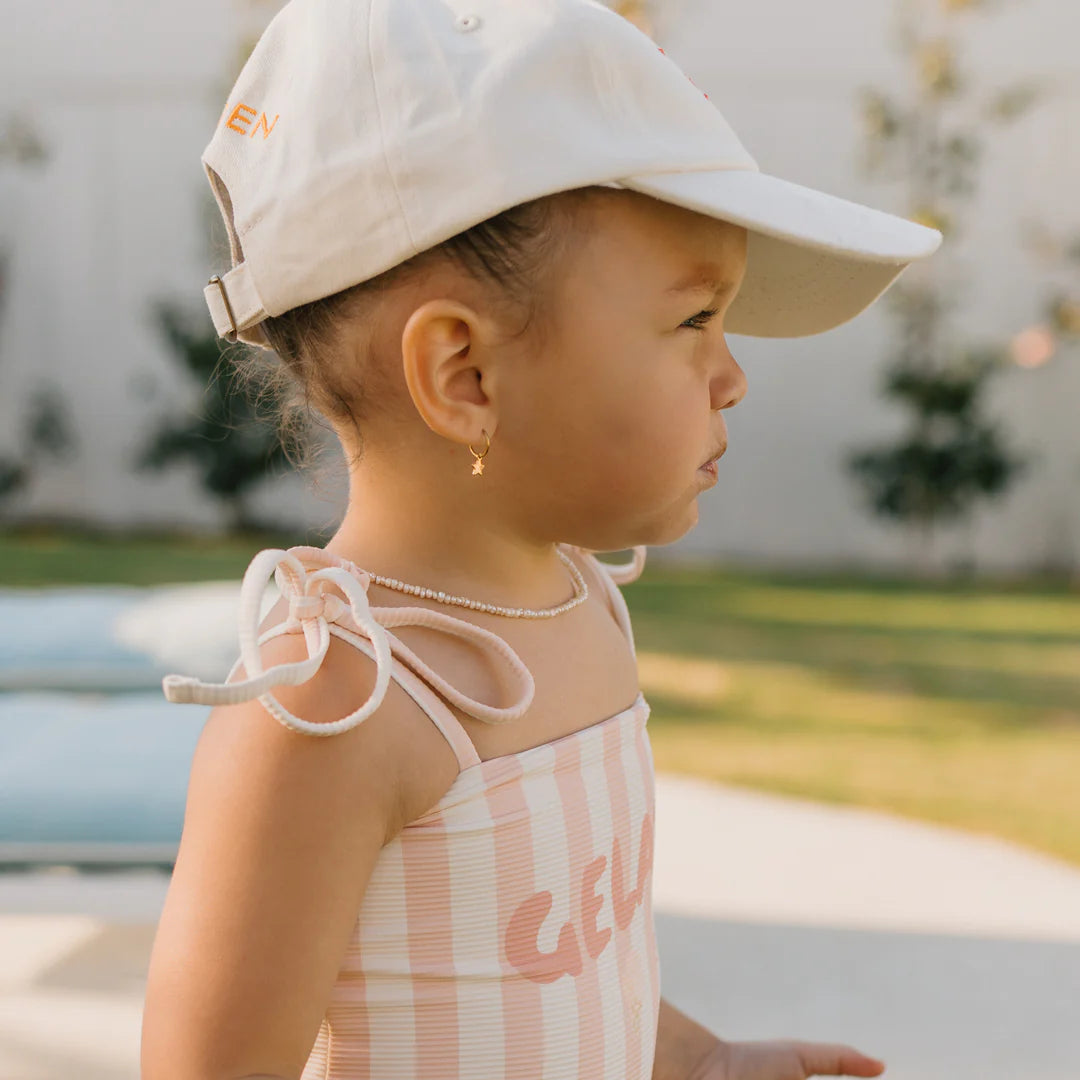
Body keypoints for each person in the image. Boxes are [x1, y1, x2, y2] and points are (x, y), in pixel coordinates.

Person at [140, 1, 942, 1078]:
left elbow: (563, 960)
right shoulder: (335, 703)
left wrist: (698, 1060)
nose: (733, 376)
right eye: (694, 320)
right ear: (466, 376)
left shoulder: (581, 602)